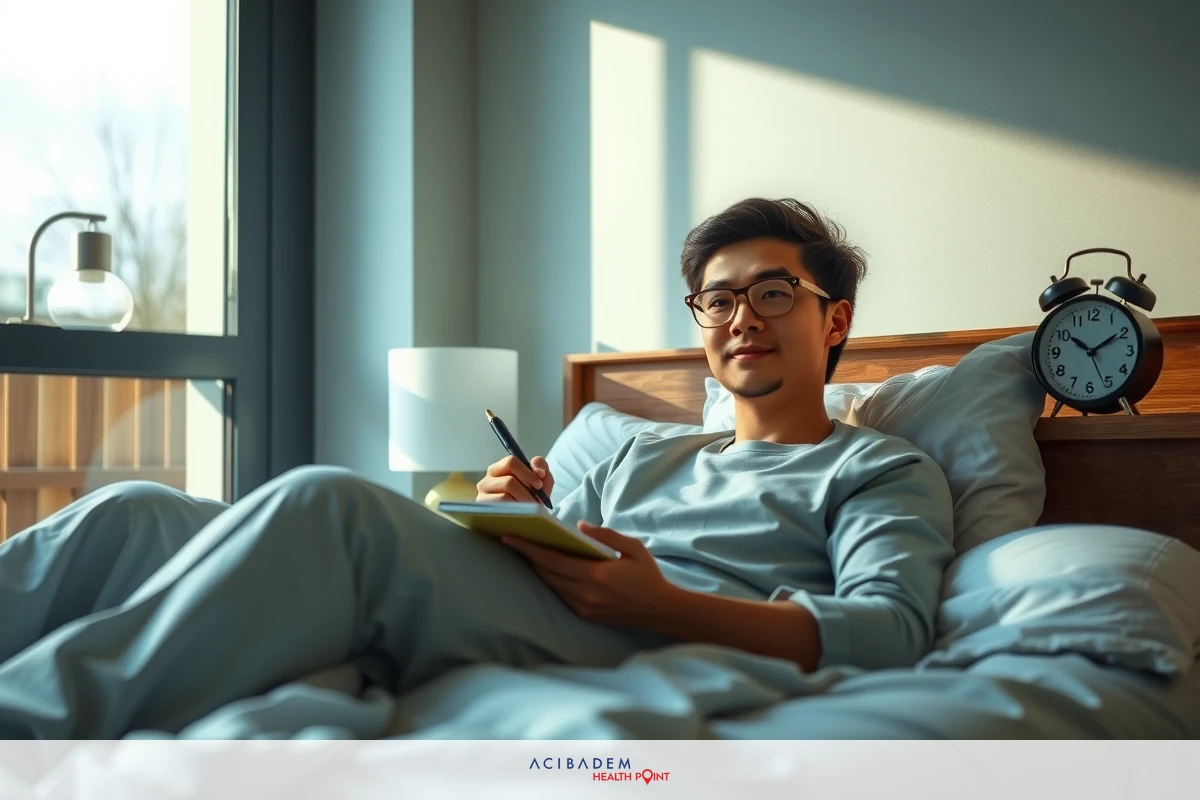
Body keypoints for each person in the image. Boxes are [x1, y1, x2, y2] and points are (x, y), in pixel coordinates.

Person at [0, 198, 954, 738]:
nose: (742, 316)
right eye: (718, 300)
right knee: (136, 514)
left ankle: (28, 723)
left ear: (833, 321)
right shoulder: (642, 445)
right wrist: (492, 511)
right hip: (548, 599)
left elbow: (891, 629)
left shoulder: (877, 469)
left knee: (329, 507)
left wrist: (657, 603)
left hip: (660, 627)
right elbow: (527, 557)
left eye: (774, 292)